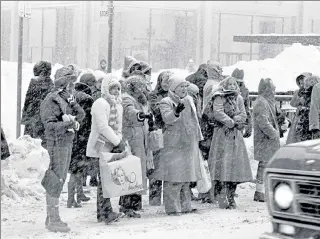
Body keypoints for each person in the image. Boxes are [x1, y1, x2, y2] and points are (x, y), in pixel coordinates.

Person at [40, 67, 85, 232]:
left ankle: (52, 216)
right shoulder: (51, 100)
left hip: (66, 142)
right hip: (56, 143)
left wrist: (73, 104)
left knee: (60, 179)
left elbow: (81, 115)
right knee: (55, 179)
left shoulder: (66, 99)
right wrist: (69, 123)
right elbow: (49, 126)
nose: (72, 86)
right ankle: (53, 218)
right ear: (63, 83)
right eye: (70, 82)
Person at [154, 74, 203, 216]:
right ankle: (172, 207)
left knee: (186, 177)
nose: (184, 89)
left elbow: (194, 120)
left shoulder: (188, 100)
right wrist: (175, 112)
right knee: (173, 177)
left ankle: (185, 205)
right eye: (181, 86)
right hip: (173, 143)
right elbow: (167, 118)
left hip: (188, 141)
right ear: (173, 88)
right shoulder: (166, 101)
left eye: (185, 86)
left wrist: (197, 136)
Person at [207, 76, 253, 209]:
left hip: (235, 136)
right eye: (230, 84)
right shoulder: (219, 97)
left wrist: (237, 121)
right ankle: (222, 196)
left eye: (234, 84)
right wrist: (231, 122)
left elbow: (243, 114)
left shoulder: (238, 98)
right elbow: (218, 113)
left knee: (235, 167)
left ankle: (232, 196)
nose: (232, 87)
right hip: (222, 135)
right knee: (223, 166)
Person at [86, 74, 126, 224]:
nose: (115, 91)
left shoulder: (118, 105)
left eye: (118, 88)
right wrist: (116, 141)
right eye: (112, 88)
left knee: (107, 180)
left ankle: (104, 211)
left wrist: (118, 139)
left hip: (111, 148)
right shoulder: (100, 103)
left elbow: (119, 127)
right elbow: (103, 127)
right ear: (106, 88)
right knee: (104, 181)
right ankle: (105, 211)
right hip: (100, 147)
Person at [119, 75, 152, 218]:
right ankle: (127, 204)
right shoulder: (127, 99)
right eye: (140, 86)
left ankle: (134, 202)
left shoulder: (136, 99)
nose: (143, 89)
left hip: (138, 136)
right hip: (132, 136)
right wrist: (141, 115)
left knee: (137, 171)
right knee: (131, 171)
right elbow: (130, 112)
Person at [253, 78, 280, 203]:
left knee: (267, 164)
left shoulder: (267, 101)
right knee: (264, 164)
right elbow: (263, 121)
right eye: (272, 88)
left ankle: (264, 190)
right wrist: (274, 133)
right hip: (265, 139)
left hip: (267, 139)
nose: (274, 91)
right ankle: (259, 191)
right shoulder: (261, 102)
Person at [67, 81, 94, 208]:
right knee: (77, 170)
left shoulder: (70, 99)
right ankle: (72, 199)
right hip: (83, 139)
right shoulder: (88, 101)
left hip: (72, 137)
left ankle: (77, 195)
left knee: (75, 170)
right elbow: (90, 123)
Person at [148, 71, 172, 206]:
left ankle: (168, 197)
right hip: (157, 132)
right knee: (156, 166)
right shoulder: (153, 95)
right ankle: (154, 198)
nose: (167, 84)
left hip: (171, 133)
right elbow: (157, 112)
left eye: (170, 81)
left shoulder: (174, 94)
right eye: (165, 81)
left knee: (169, 165)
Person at [21, 61, 54, 148]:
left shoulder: (35, 81)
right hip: (45, 119)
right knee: (42, 144)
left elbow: (28, 100)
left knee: (30, 143)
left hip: (33, 117)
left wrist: (25, 118)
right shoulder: (51, 83)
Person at [286, 72, 312, 144]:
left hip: (308, 116)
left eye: (303, 83)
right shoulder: (298, 92)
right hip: (299, 116)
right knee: (296, 134)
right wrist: (299, 101)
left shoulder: (312, 91)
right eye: (300, 83)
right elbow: (292, 103)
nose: (302, 85)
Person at [295, 76, 320, 142]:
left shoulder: (304, 97)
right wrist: (315, 128)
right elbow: (314, 109)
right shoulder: (317, 88)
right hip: (309, 124)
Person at [232, 68, 252, 138]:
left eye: (238, 82)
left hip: (239, 121)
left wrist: (249, 124)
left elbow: (247, 108)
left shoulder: (244, 91)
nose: (236, 84)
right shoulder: (225, 88)